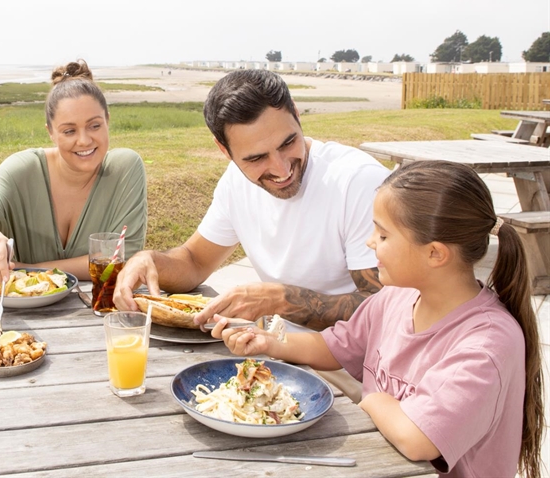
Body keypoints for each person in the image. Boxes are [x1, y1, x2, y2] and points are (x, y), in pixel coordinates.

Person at [212, 160, 544, 478]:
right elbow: (334, 347)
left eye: (383, 235)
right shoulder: (396, 298)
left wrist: (371, 399)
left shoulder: (486, 344)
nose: (370, 242)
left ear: (435, 253)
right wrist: (270, 343)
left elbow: (418, 440)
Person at [114, 69, 388, 330]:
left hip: (352, 368)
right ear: (224, 149)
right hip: (276, 351)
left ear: (296, 112)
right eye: (256, 158)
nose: (281, 169)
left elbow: (386, 308)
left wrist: (279, 301)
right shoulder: (235, 182)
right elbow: (195, 262)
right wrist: (149, 260)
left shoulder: (357, 182)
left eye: (287, 143)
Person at [0, 59, 147, 283]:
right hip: (23, 316)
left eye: (94, 126)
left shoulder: (125, 168)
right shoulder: (22, 169)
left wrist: (29, 270)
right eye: (69, 131)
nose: (84, 140)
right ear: (51, 132)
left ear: (107, 120)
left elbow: (124, 258)